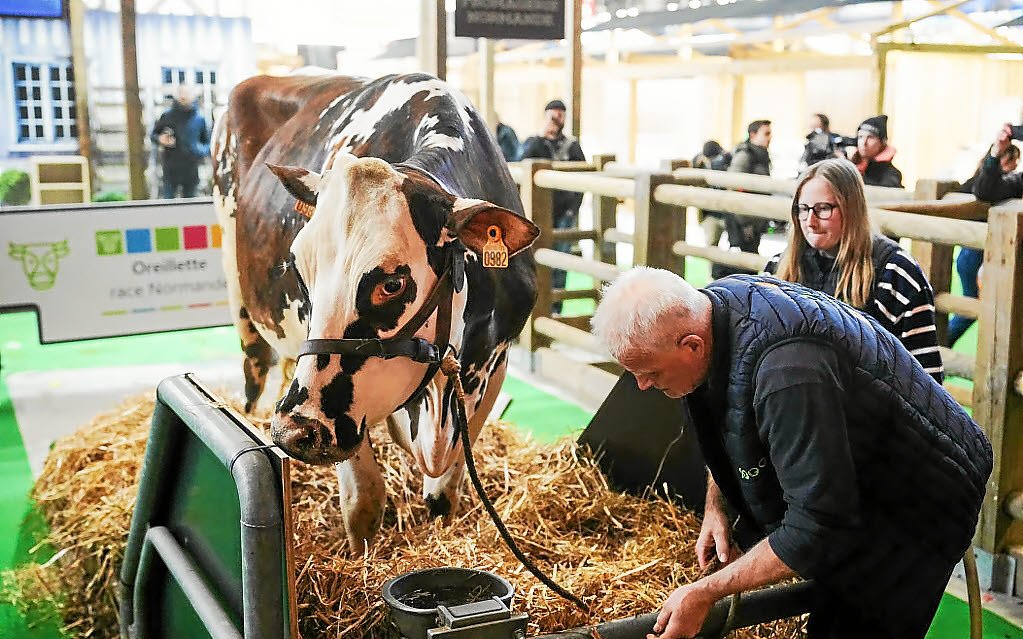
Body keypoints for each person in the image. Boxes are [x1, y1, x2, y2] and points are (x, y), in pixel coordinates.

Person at [590, 267, 991, 639]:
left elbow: (820, 524)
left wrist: (705, 592)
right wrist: (718, 507)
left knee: (858, 622)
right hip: (859, 472)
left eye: (651, 372)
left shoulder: (788, 374)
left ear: (691, 346)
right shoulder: (712, 310)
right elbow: (724, 417)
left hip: (919, 502)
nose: (642, 385)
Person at [763, 158, 944, 382]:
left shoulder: (896, 273)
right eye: (803, 209)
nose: (810, 221)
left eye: (823, 209)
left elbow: (928, 377)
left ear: (851, 208)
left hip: (869, 409)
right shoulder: (778, 268)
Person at [946, 141, 1020, 346]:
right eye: (1010, 159)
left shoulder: (1003, 183)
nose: (1013, 165)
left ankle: (943, 345)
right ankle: (943, 345)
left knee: (979, 306)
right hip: (976, 254)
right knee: (975, 307)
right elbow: (982, 191)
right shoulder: (982, 183)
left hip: (978, 254)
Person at [519, 99, 586, 313]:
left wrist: (573, 209)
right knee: (535, 259)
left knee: (561, 261)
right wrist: (541, 135)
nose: (558, 119)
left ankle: (556, 307)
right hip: (538, 212)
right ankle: (536, 306)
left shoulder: (572, 146)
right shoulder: (534, 143)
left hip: (564, 213)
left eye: (561, 115)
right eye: (554, 115)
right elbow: (520, 160)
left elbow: (583, 176)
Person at [713, 120, 772, 279]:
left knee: (750, 259)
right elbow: (734, 187)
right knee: (742, 263)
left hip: (755, 219)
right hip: (743, 220)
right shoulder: (745, 155)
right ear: (753, 134)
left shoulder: (761, 155)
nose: (769, 137)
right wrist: (744, 221)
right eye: (766, 133)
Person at [151, 84, 210, 199]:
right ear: (177, 96)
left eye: (187, 93)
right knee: (168, 204)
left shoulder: (199, 119)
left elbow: (208, 144)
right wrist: (160, 139)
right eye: (181, 93)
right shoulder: (167, 116)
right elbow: (153, 135)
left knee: (191, 204)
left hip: (191, 169)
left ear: (193, 96)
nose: (184, 96)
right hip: (170, 168)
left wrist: (199, 150)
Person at [690, 140, 731, 248]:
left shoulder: (727, 160)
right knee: (711, 245)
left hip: (728, 212)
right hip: (709, 213)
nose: (712, 162)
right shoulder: (699, 162)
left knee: (734, 246)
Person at [849, 115, 903, 188]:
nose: (864, 142)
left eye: (870, 137)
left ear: (882, 142)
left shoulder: (891, 174)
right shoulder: (850, 165)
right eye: (860, 137)